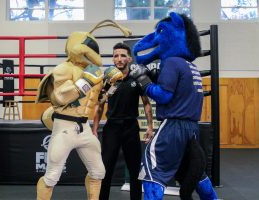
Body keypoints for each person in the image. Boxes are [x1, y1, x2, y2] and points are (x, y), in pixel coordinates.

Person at [130, 12, 218, 200]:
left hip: (172, 127)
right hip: (191, 129)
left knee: (152, 173)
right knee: (195, 173)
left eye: (161, 32)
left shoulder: (171, 62)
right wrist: (153, 76)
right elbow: (180, 91)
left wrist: (143, 80)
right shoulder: (189, 66)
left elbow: (163, 96)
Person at [35, 31, 123, 200]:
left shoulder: (94, 72)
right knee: (52, 175)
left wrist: (111, 87)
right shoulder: (63, 69)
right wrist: (86, 82)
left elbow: (97, 101)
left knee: (98, 172)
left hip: (85, 128)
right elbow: (58, 98)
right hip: (64, 127)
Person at [92, 42, 153, 200]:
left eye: (122, 55)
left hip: (131, 128)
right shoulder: (107, 80)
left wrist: (150, 127)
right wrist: (94, 130)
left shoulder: (137, 78)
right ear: (113, 59)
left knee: (134, 170)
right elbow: (99, 106)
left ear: (129, 59)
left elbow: (146, 103)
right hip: (112, 128)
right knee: (105, 169)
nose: (119, 58)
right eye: (115, 56)